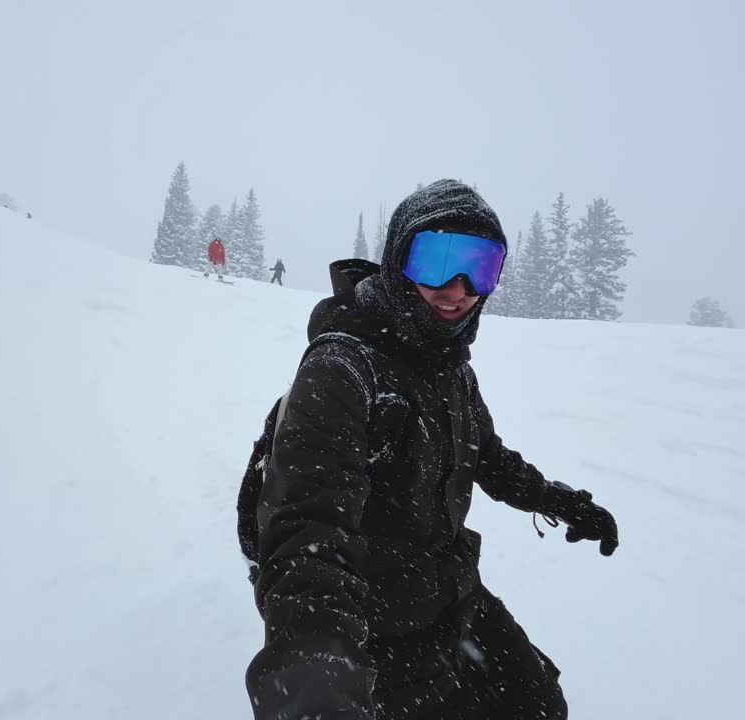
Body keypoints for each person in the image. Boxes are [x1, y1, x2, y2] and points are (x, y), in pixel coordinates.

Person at [245, 180, 619, 720]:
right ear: (400, 261)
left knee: (540, 705)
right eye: (437, 261)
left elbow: (487, 456)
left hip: (454, 596)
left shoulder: (450, 367)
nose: (458, 289)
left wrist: (561, 502)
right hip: (376, 631)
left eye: (480, 267)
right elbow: (308, 533)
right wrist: (316, 680)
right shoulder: (341, 370)